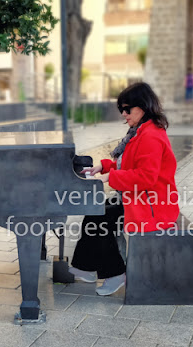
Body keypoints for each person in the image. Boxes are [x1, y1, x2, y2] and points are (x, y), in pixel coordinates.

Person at [69, 82, 180, 296]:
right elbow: (128, 165)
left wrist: (110, 177)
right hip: (139, 197)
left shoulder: (151, 136)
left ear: (143, 106)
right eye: (122, 109)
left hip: (153, 205)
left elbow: (146, 177)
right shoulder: (139, 131)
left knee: (101, 220)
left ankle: (116, 273)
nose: (124, 114)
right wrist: (104, 166)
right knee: (96, 212)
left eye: (127, 109)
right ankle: (87, 268)